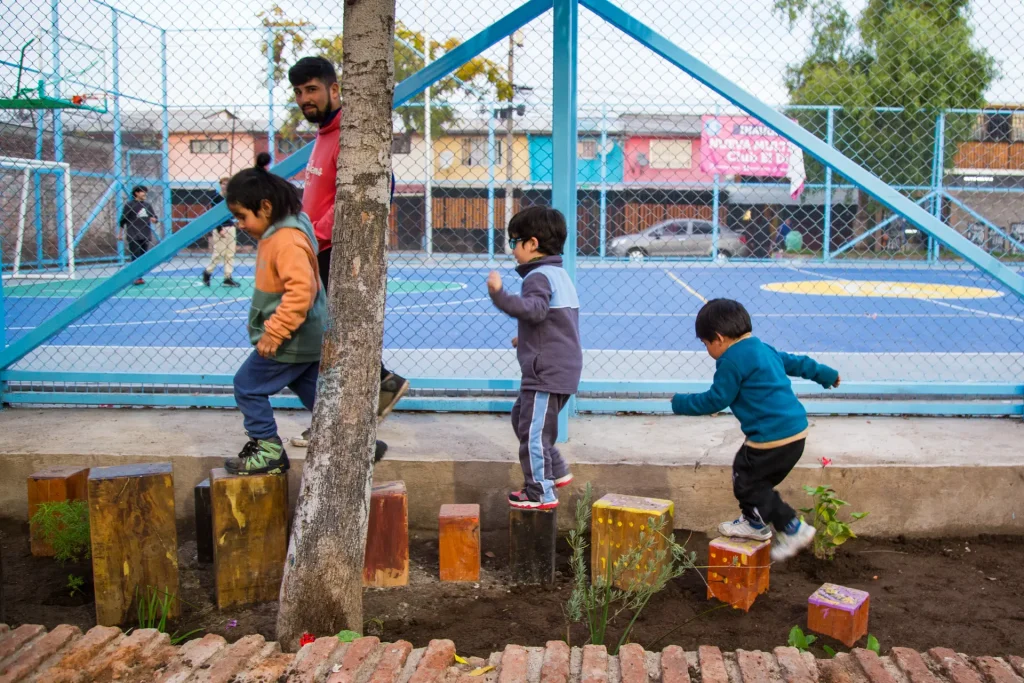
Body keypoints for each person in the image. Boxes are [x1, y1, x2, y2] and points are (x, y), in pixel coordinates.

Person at [287, 55, 408, 449]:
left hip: (331, 252)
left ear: (334, 90)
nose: (305, 98)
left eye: (312, 90)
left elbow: (377, 190)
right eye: (299, 92)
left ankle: (346, 413)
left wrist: (317, 235)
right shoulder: (324, 135)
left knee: (321, 340)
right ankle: (380, 385)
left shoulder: (349, 136)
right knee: (329, 340)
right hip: (314, 248)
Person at [670, 299, 841, 562]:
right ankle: (754, 520)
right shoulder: (762, 347)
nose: (707, 350)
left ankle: (792, 527)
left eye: (705, 345)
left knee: (748, 482)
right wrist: (826, 374)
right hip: (796, 432)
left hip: (771, 438)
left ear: (718, 338)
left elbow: (716, 399)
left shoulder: (730, 361)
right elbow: (796, 363)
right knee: (752, 479)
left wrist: (681, 403)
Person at [220, 153, 325, 474]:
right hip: (307, 336)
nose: (239, 224)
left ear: (266, 207)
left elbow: (301, 290)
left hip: (290, 337)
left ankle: (268, 449)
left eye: (241, 216)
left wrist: (275, 331)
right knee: (311, 391)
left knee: (247, 385)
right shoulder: (286, 229)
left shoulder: (285, 241)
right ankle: (357, 440)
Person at [487, 207, 582, 510]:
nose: (512, 249)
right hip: (559, 366)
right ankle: (556, 468)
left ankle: (540, 491)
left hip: (545, 372)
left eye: (514, 241)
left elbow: (535, 310)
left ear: (532, 243)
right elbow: (555, 322)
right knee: (524, 420)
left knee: (533, 432)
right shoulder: (559, 274)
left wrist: (499, 295)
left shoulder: (538, 277)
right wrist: (526, 338)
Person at [202, 177, 240, 287]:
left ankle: (228, 277)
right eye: (223, 183)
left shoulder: (232, 198)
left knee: (230, 254)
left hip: (231, 226)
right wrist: (219, 229)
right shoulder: (216, 198)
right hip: (221, 228)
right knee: (218, 253)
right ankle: (207, 272)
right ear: (220, 185)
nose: (225, 185)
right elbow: (215, 215)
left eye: (227, 184)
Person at [118, 185, 158, 286]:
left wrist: (154, 219)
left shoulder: (147, 205)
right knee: (135, 256)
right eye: (142, 192)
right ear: (136, 193)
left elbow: (154, 217)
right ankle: (136, 277)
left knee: (143, 257)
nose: (145, 194)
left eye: (145, 192)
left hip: (145, 234)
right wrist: (120, 234)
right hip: (133, 234)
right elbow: (123, 220)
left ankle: (139, 276)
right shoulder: (129, 205)